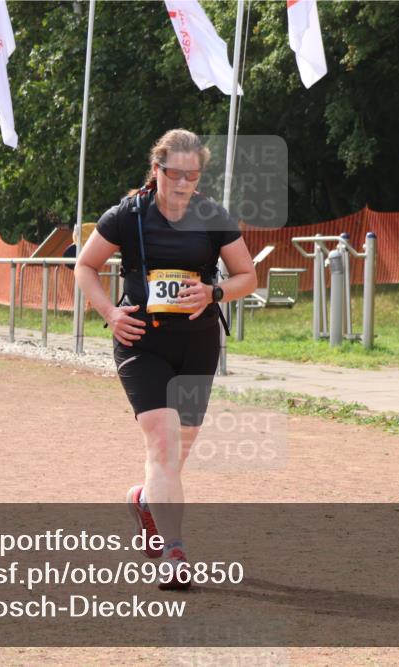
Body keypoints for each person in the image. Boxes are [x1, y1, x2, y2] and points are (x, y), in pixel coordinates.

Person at [74, 129, 257, 590]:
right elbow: (85, 265)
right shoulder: (127, 215)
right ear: (156, 170)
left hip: (197, 344)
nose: (182, 184)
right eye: (174, 174)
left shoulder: (213, 217)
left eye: (191, 176)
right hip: (142, 342)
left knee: (178, 452)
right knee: (162, 443)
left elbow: (247, 276)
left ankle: (143, 499)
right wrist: (111, 313)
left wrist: (215, 291)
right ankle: (173, 552)